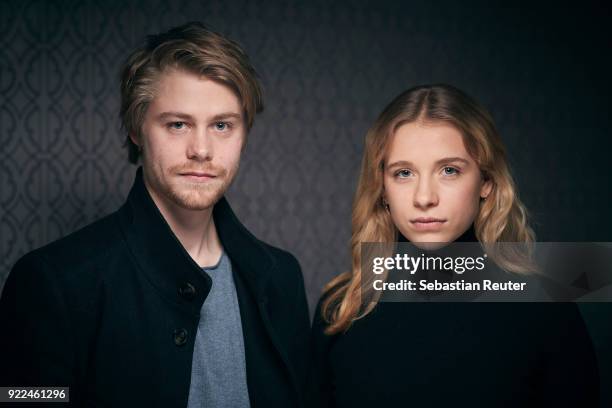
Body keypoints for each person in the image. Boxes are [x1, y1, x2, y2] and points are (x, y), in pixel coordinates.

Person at [0, 22, 311, 408]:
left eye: (222, 125)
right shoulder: (52, 282)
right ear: (136, 129)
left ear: (244, 133)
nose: (202, 149)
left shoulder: (282, 278)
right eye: (177, 124)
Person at [312, 84, 599, 407]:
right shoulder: (340, 309)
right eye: (404, 173)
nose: (424, 198)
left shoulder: (547, 302)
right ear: (381, 188)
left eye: (449, 170)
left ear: (486, 182)